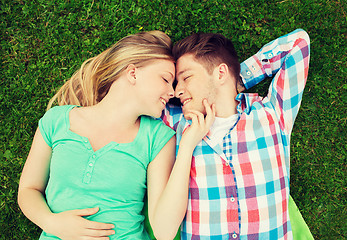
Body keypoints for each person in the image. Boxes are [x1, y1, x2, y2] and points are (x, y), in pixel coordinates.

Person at [17, 31, 215, 240]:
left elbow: (163, 231)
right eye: (166, 79)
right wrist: (52, 223)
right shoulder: (56, 121)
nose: (172, 92)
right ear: (132, 73)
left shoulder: (158, 138)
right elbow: (29, 189)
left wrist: (186, 147)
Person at [160, 29, 312, 239]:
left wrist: (237, 81)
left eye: (186, 78)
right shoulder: (177, 124)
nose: (177, 91)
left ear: (220, 73)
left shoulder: (272, 114)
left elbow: (298, 43)